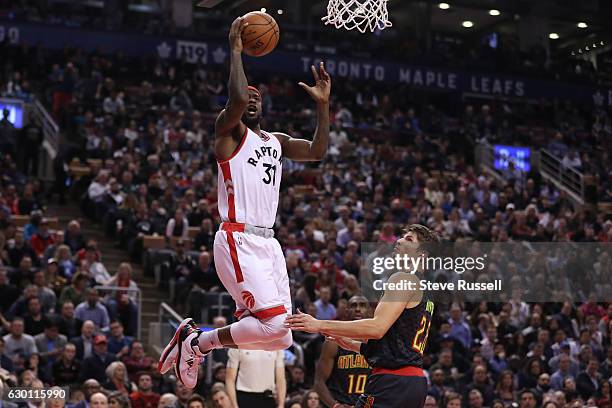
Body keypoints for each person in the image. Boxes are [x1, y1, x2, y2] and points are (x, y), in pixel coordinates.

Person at [158, 15, 331, 389]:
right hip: (237, 237)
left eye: (258, 97)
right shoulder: (228, 133)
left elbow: (317, 151)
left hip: (269, 243)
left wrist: (322, 106)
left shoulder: (276, 141)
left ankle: (196, 340)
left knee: (283, 335)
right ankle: (198, 343)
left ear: (264, 106)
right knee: (270, 323)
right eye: (246, 95)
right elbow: (235, 98)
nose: (251, 98)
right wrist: (236, 51)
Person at [287, 225, 439, 408]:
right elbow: (399, 341)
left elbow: (377, 328)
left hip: (392, 381)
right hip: (414, 383)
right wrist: (353, 344)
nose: (399, 241)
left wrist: (319, 324)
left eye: (409, 239)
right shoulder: (425, 289)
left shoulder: (403, 279)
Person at [314, 295, 372, 407]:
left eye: (362, 305)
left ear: (369, 311)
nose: (358, 309)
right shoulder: (334, 340)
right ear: (346, 311)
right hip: (341, 402)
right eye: (353, 305)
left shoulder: (378, 341)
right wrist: (335, 405)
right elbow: (319, 382)